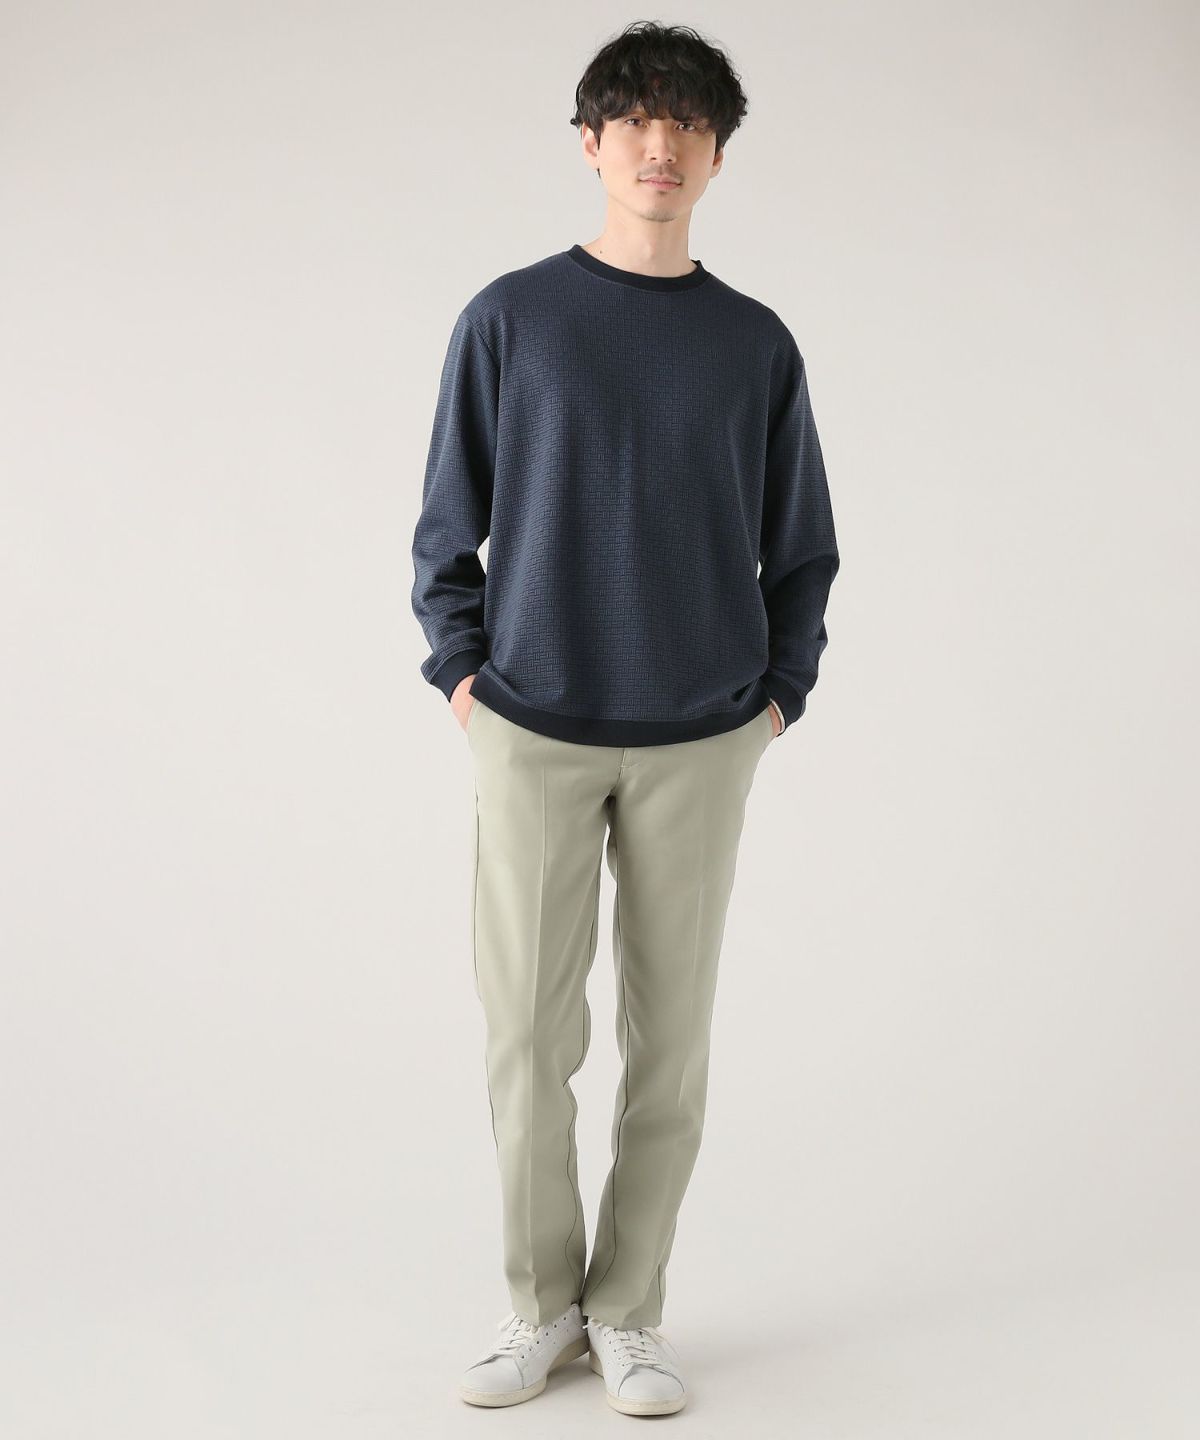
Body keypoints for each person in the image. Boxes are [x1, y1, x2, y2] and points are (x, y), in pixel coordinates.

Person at [410, 20, 840, 1417]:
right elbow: (446, 527)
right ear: (591, 144)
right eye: (637, 120)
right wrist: (465, 677)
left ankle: (629, 1309)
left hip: (703, 736)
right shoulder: (511, 318)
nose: (662, 145)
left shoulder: (754, 343)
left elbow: (802, 545)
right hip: (532, 723)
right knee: (528, 1043)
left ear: (717, 156)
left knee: (672, 1050)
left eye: (689, 124)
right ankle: (541, 1305)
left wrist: (778, 695)